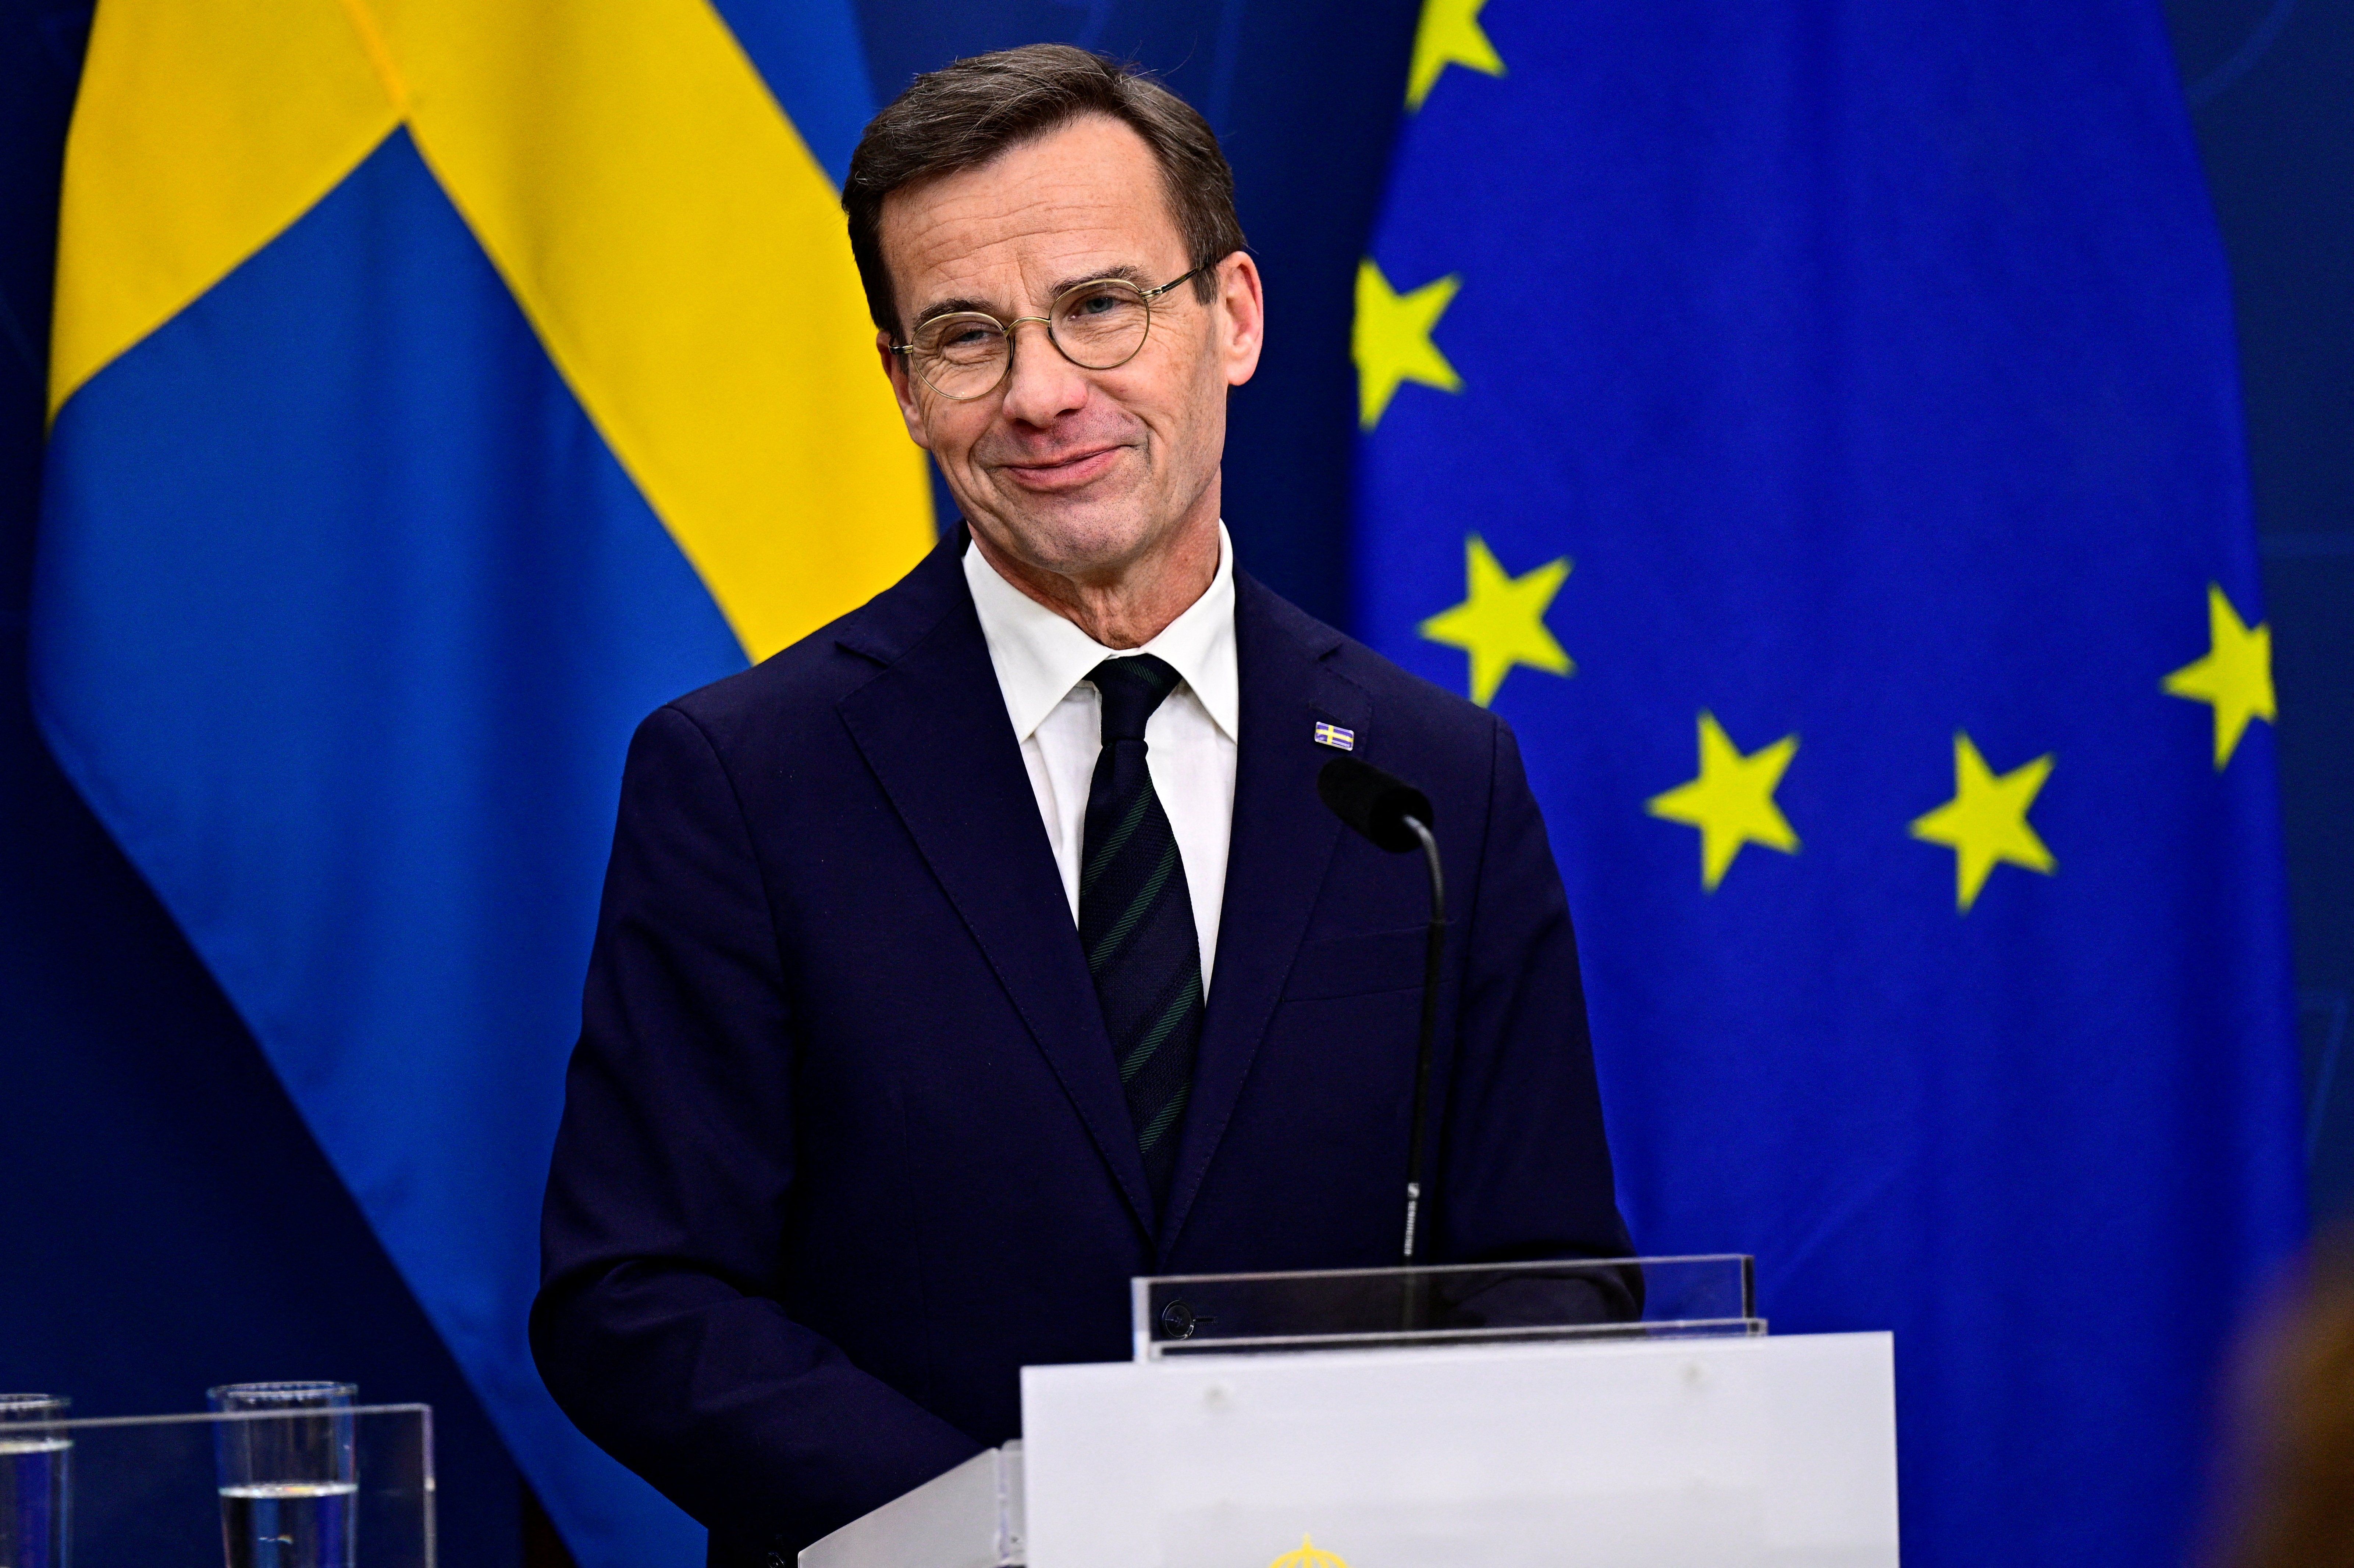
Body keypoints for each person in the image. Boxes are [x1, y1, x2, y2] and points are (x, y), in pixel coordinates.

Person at [531, 43, 1633, 1562]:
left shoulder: (1437, 779)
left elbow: (1550, 1271)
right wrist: (1016, 1530)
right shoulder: (743, 779)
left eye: (1100, 306)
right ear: (905, 389)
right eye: (966, 336)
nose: (1043, 394)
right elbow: (636, 1296)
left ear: (1230, 317)